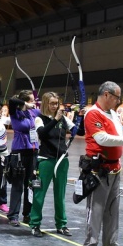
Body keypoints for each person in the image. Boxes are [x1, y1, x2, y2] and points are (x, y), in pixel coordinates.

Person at [83, 81, 123, 246]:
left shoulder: (112, 113)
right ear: (106, 94)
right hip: (99, 170)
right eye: (116, 97)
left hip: (114, 168)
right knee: (96, 209)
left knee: (113, 208)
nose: (118, 101)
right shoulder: (93, 114)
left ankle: (110, 244)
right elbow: (102, 139)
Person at [29, 92, 75, 237]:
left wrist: (81, 116)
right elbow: (42, 134)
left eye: (56, 103)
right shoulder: (39, 119)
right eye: (52, 103)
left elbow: (79, 131)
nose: (55, 106)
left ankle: (61, 224)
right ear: (45, 104)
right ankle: (35, 224)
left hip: (61, 160)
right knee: (39, 193)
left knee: (60, 194)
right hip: (45, 160)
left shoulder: (64, 119)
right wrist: (55, 119)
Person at [6, 90, 40, 226]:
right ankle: (13, 215)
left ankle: (28, 214)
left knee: (30, 185)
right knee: (18, 185)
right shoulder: (16, 112)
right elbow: (12, 101)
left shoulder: (34, 113)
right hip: (19, 152)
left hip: (33, 152)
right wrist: (26, 104)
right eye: (31, 100)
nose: (34, 103)